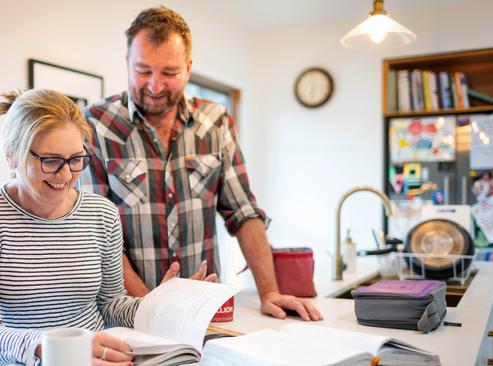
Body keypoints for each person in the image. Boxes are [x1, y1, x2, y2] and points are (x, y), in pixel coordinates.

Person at [82, 6, 321, 321]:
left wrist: (269, 291)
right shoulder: (96, 124)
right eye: (143, 70)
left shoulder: (215, 121)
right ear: (127, 63)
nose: (154, 86)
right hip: (129, 317)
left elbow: (244, 213)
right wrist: (150, 309)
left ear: (188, 67)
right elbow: (97, 233)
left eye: (169, 73)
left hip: (205, 313)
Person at [0, 89, 142, 366]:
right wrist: (56, 349)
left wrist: (168, 306)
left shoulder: (102, 213)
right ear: (11, 156)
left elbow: (111, 304)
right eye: (50, 161)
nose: (65, 175)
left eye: (76, 159)